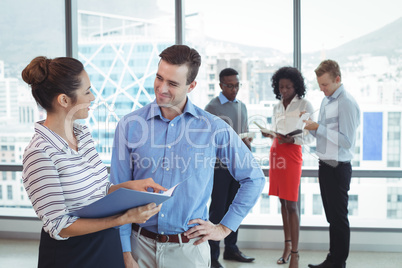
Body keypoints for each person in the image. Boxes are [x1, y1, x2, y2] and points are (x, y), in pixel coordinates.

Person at [109, 45, 265, 268]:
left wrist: (224, 228)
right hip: (138, 248)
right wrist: (125, 253)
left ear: (191, 86)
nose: (161, 89)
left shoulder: (213, 128)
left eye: (172, 83)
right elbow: (120, 192)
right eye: (159, 78)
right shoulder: (129, 126)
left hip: (189, 253)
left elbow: (254, 178)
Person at [21, 56, 166, 268]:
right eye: (87, 91)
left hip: (105, 246)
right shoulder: (39, 153)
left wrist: (129, 187)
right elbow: (59, 226)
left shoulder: (83, 135)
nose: (93, 97)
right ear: (64, 100)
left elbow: (98, 192)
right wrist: (122, 219)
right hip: (72, 256)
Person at [304, 60, 360, 268]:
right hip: (325, 164)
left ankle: (338, 262)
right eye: (319, 85)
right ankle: (333, 259)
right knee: (331, 217)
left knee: (338, 217)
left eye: (325, 85)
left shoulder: (346, 102)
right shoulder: (327, 100)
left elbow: (347, 141)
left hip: (338, 167)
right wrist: (310, 126)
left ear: (338, 79)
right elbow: (323, 134)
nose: (322, 90)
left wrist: (318, 127)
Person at [260, 67, 314, 268]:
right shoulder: (276, 107)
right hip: (276, 152)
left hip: (292, 154)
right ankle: (286, 247)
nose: (284, 90)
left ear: (296, 86)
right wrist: (271, 134)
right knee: (282, 203)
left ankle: (296, 253)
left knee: (292, 204)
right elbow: (277, 130)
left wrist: (294, 138)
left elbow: (309, 134)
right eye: (281, 87)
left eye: (288, 87)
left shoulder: (305, 104)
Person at [205, 68, 255, 268]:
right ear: (220, 85)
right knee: (217, 210)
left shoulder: (241, 106)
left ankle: (232, 249)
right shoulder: (212, 107)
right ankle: (213, 256)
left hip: (239, 166)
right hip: (220, 167)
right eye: (229, 86)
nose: (234, 89)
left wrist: (247, 141)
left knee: (235, 207)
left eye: (236, 85)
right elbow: (206, 139)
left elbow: (242, 134)